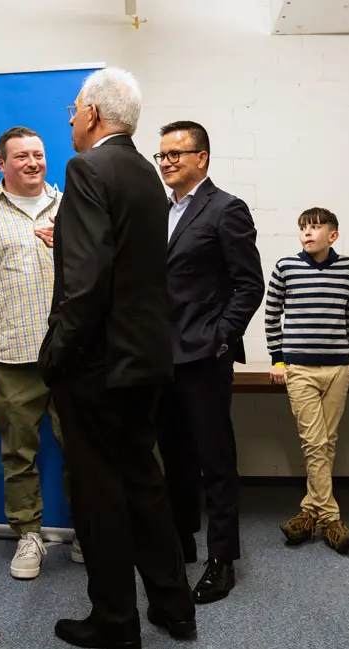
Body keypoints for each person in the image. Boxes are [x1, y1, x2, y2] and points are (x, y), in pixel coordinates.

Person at [39, 67, 196, 649]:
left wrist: (55, 356)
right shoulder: (144, 175)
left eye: (76, 107)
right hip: (146, 359)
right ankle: (174, 607)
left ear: (96, 115)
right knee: (143, 482)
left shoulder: (86, 168)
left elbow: (86, 284)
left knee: (100, 497)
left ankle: (114, 621)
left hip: (96, 365)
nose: (71, 117)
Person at [0, 126, 82, 581]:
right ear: (1, 164)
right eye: (21, 157)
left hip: (73, 356)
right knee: (18, 455)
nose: (32, 163)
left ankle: (87, 532)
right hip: (12, 355)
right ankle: (28, 534)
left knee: (83, 451)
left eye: (38, 154)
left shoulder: (75, 205)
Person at [153, 120, 264, 604]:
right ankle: (182, 541)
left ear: (203, 158)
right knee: (173, 457)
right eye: (162, 155)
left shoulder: (225, 209)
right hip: (159, 357)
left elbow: (249, 284)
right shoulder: (158, 212)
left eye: (178, 153)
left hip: (204, 356)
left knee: (215, 461)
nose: (168, 161)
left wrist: (221, 337)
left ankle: (223, 559)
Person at [265, 207, 349, 554]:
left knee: (327, 442)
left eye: (316, 228)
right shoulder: (285, 267)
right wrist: (278, 360)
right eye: (303, 228)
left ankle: (308, 513)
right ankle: (331, 520)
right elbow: (272, 315)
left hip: (337, 369)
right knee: (315, 443)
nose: (307, 233)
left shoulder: (348, 268)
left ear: (333, 236)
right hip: (298, 370)